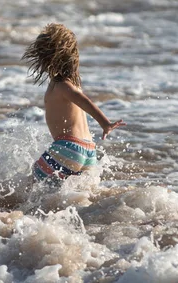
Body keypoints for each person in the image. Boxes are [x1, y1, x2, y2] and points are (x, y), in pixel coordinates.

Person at [22, 23, 126, 184]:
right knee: (72, 199)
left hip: (67, 147)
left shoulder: (62, 86)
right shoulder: (72, 83)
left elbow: (83, 100)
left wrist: (105, 123)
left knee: (29, 189)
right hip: (89, 151)